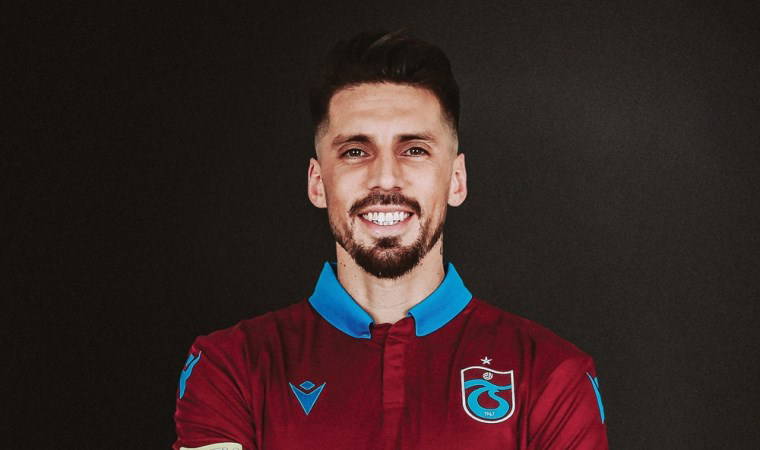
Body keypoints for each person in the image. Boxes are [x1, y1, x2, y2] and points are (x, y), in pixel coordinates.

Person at [173, 30, 609, 450]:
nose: (385, 177)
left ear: (456, 180)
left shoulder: (552, 374)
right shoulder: (230, 367)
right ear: (318, 183)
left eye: (414, 150)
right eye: (355, 151)